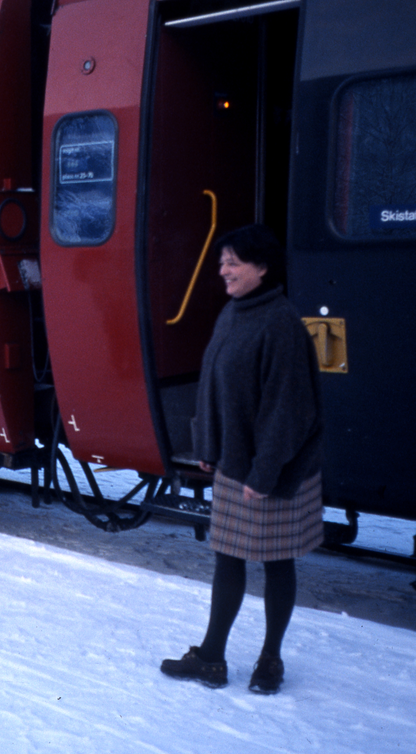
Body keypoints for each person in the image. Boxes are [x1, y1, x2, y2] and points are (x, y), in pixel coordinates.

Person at [160, 224, 323, 694]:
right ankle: (212, 657)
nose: (223, 270)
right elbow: (215, 383)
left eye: (233, 262)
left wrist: (265, 472)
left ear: (263, 268)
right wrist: (208, 445)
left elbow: (288, 410)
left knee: (276, 560)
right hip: (239, 463)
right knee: (228, 556)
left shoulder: (280, 323)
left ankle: (270, 659)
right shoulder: (235, 313)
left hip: (274, 467)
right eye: (221, 261)